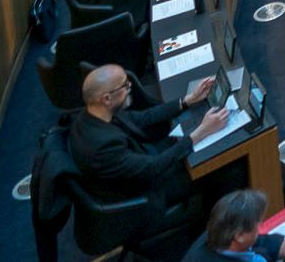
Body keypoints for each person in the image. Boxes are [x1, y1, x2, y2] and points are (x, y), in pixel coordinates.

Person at [70, 64, 225, 227]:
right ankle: (217, 229)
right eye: (125, 85)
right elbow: (152, 169)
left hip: (139, 158)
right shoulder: (103, 147)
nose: (130, 87)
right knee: (218, 166)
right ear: (106, 98)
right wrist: (201, 132)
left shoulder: (94, 113)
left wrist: (187, 100)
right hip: (144, 192)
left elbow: (144, 117)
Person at [184, 188, 285, 262]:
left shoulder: (219, 233)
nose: (259, 228)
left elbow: (260, 241)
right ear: (239, 236)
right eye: (256, 226)